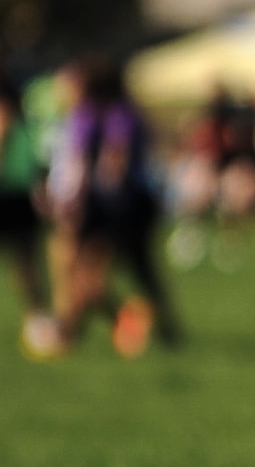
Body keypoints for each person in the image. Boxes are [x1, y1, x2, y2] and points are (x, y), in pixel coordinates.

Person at [44, 58, 180, 356]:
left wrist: (77, 199)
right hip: (108, 204)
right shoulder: (94, 114)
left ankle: (76, 331)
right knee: (91, 272)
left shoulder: (116, 115)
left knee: (105, 271)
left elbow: (111, 162)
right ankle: (80, 329)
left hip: (122, 205)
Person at [0, 76, 59, 357]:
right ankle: (40, 319)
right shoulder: (25, 120)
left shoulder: (13, 117)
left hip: (11, 193)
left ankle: (40, 320)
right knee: (26, 265)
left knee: (26, 265)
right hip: (18, 194)